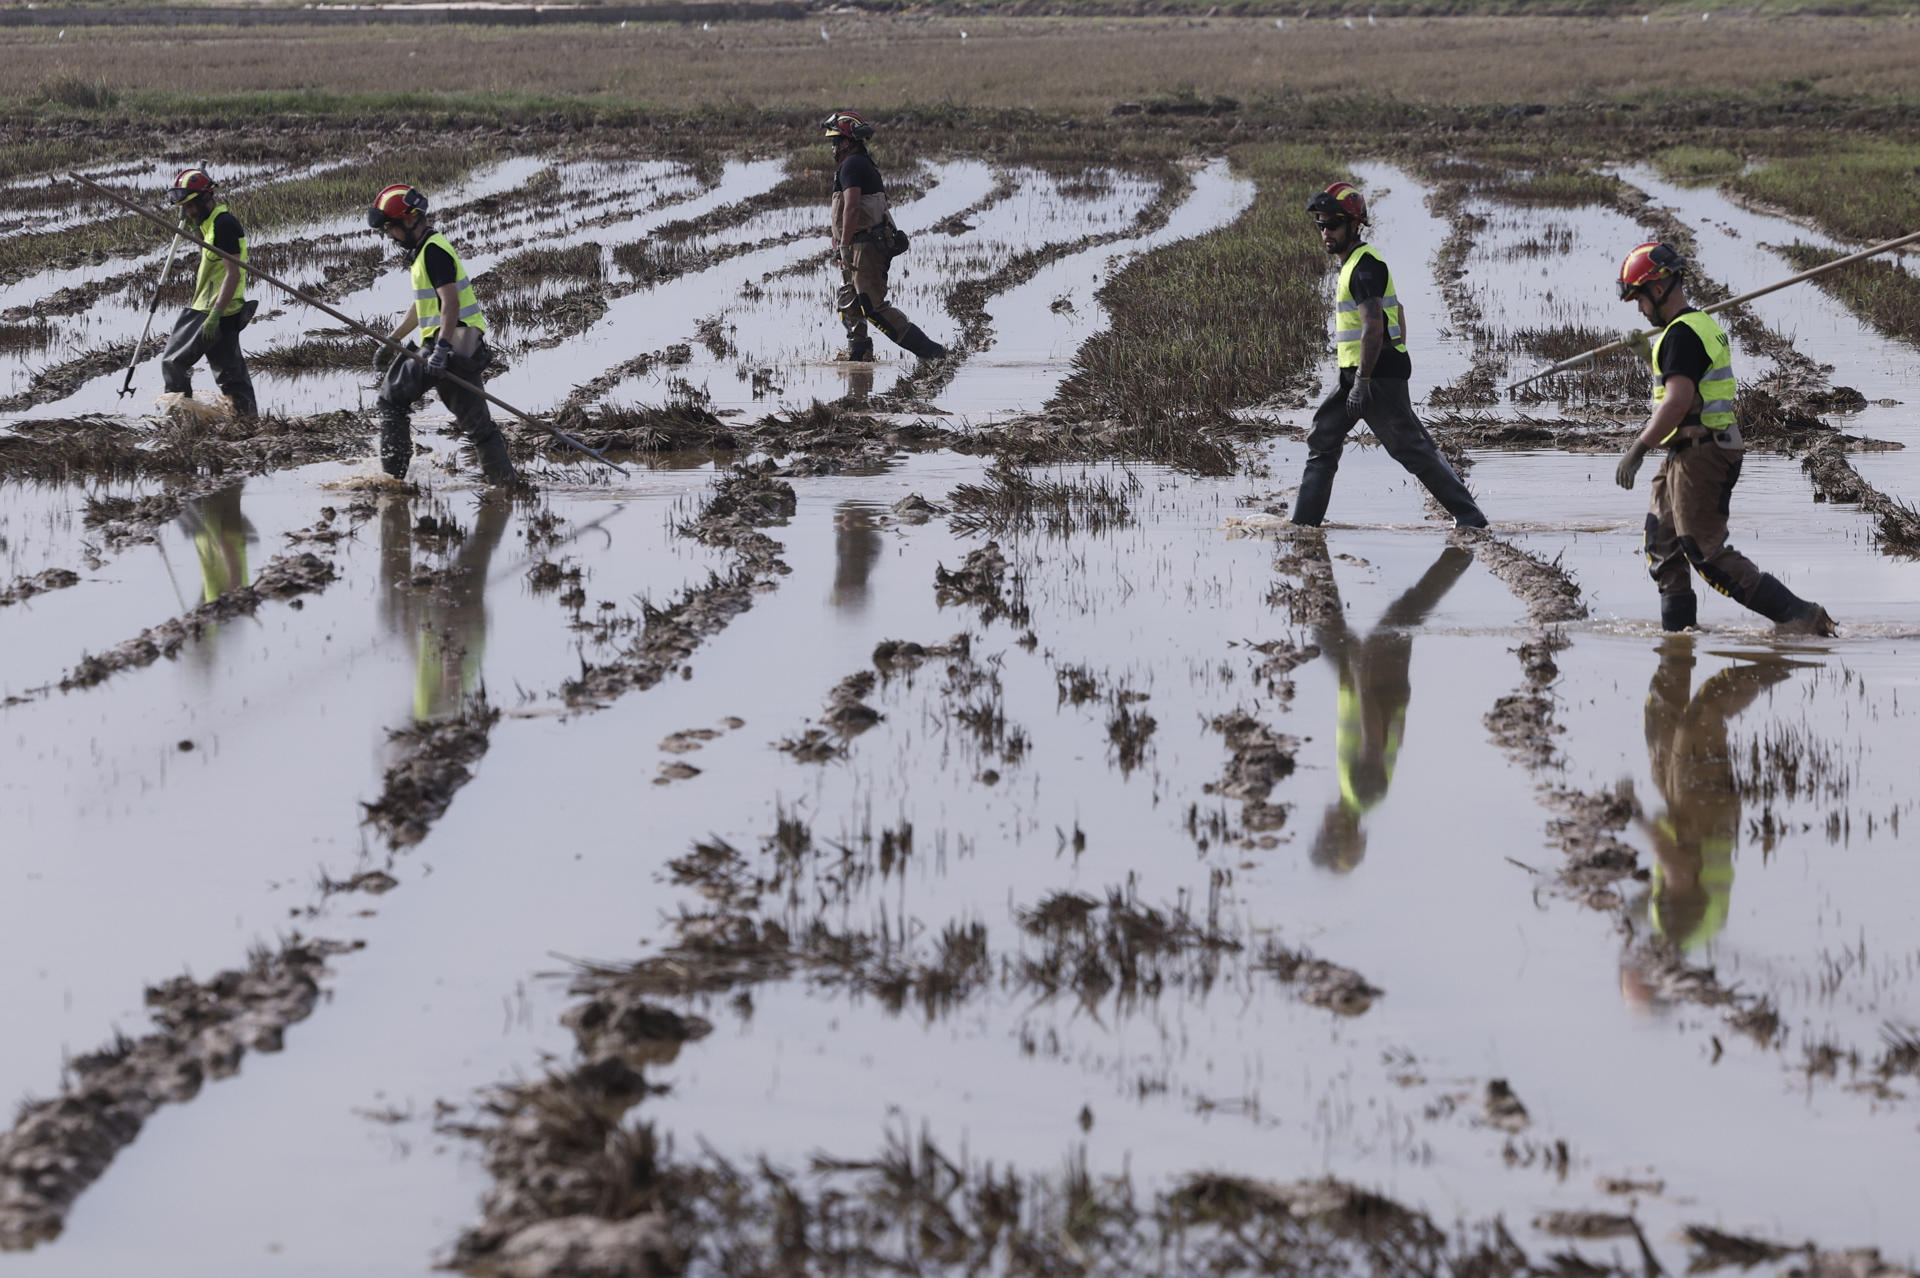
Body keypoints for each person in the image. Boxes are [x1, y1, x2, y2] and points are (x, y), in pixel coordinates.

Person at [1613, 243, 1834, 635]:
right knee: (1662, 544)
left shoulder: (1682, 335)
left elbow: (1678, 402)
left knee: (1704, 552)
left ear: (1659, 289)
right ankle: (1679, 640)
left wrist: (1638, 449)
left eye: (1639, 299)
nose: (1640, 309)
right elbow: (1685, 385)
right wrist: (1648, 355)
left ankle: (1801, 616)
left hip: (1703, 451)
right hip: (1688, 449)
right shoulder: (1693, 328)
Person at [1290, 182, 1486, 530]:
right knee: (1323, 438)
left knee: (1411, 449)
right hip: (1358, 374)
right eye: (1320, 224)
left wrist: (1366, 380)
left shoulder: (1364, 267)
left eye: (1333, 224)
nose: (1325, 232)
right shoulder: (1355, 265)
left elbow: (1374, 327)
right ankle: (1304, 526)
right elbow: (1400, 311)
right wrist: (1386, 360)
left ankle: (1471, 519)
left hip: (1372, 377)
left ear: (1355, 225)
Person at [1308, 541, 1472, 872]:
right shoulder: (1363, 792)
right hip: (1377, 686)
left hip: (1373, 685)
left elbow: (1394, 737)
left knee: (1332, 628)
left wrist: (1358, 675)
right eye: (1326, 832)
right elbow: (1374, 740)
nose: (1321, 824)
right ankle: (1462, 552)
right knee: (1406, 612)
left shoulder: (1356, 795)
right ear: (1339, 830)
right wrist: (1362, 676)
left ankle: (1460, 554)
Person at [367, 183, 515, 485]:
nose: (390, 236)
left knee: (391, 400)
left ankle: (393, 481)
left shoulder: (433, 252)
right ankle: (506, 486)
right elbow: (423, 306)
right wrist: (393, 340)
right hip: (464, 342)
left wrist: (442, 348)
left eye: (391, 228)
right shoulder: (426, 251)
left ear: (410, 220)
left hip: (452, 343)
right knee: (479, 427)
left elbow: (450, 303)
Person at [823, 109, 947, 363]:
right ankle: (859, 355)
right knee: (849, 302)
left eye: (836, 141)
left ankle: (932, 353)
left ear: (847, 142)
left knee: (872, 307)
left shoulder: (852, 165)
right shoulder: (858, 163)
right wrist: (842, 246)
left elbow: (852, 207)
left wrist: (844, 245)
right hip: (857, 244)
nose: (833, 147)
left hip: (865, 246)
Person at [159, 168, 258, 418]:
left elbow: (233, 274)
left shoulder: (224, 225)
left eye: (191, 206)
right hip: (223, 309)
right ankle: (247, 422)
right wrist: (193, 221)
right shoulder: (211, 223)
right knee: (231, 378)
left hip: (213, 310)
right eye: (184, 208)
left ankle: (180, 419)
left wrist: (215, 314)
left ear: (206, 199)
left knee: (173, 362)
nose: (188, 212)